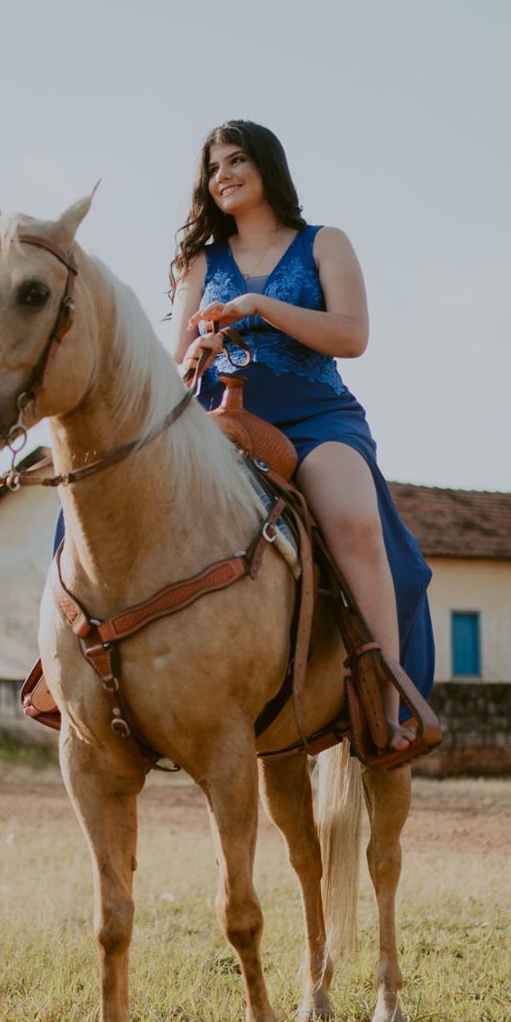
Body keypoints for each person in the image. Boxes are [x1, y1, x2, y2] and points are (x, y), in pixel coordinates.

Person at [171, 120, 434, 751]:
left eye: (236, 161)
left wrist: (258, 308)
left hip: (317, 418)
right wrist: (197, 349)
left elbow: (352, 337)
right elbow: (175, 366)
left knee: (355, 526)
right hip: (218, 421)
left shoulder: (324, 242)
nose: (223, 176)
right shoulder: (199, 262)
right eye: (212, 168)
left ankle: (383, 711)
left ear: (266, 168)